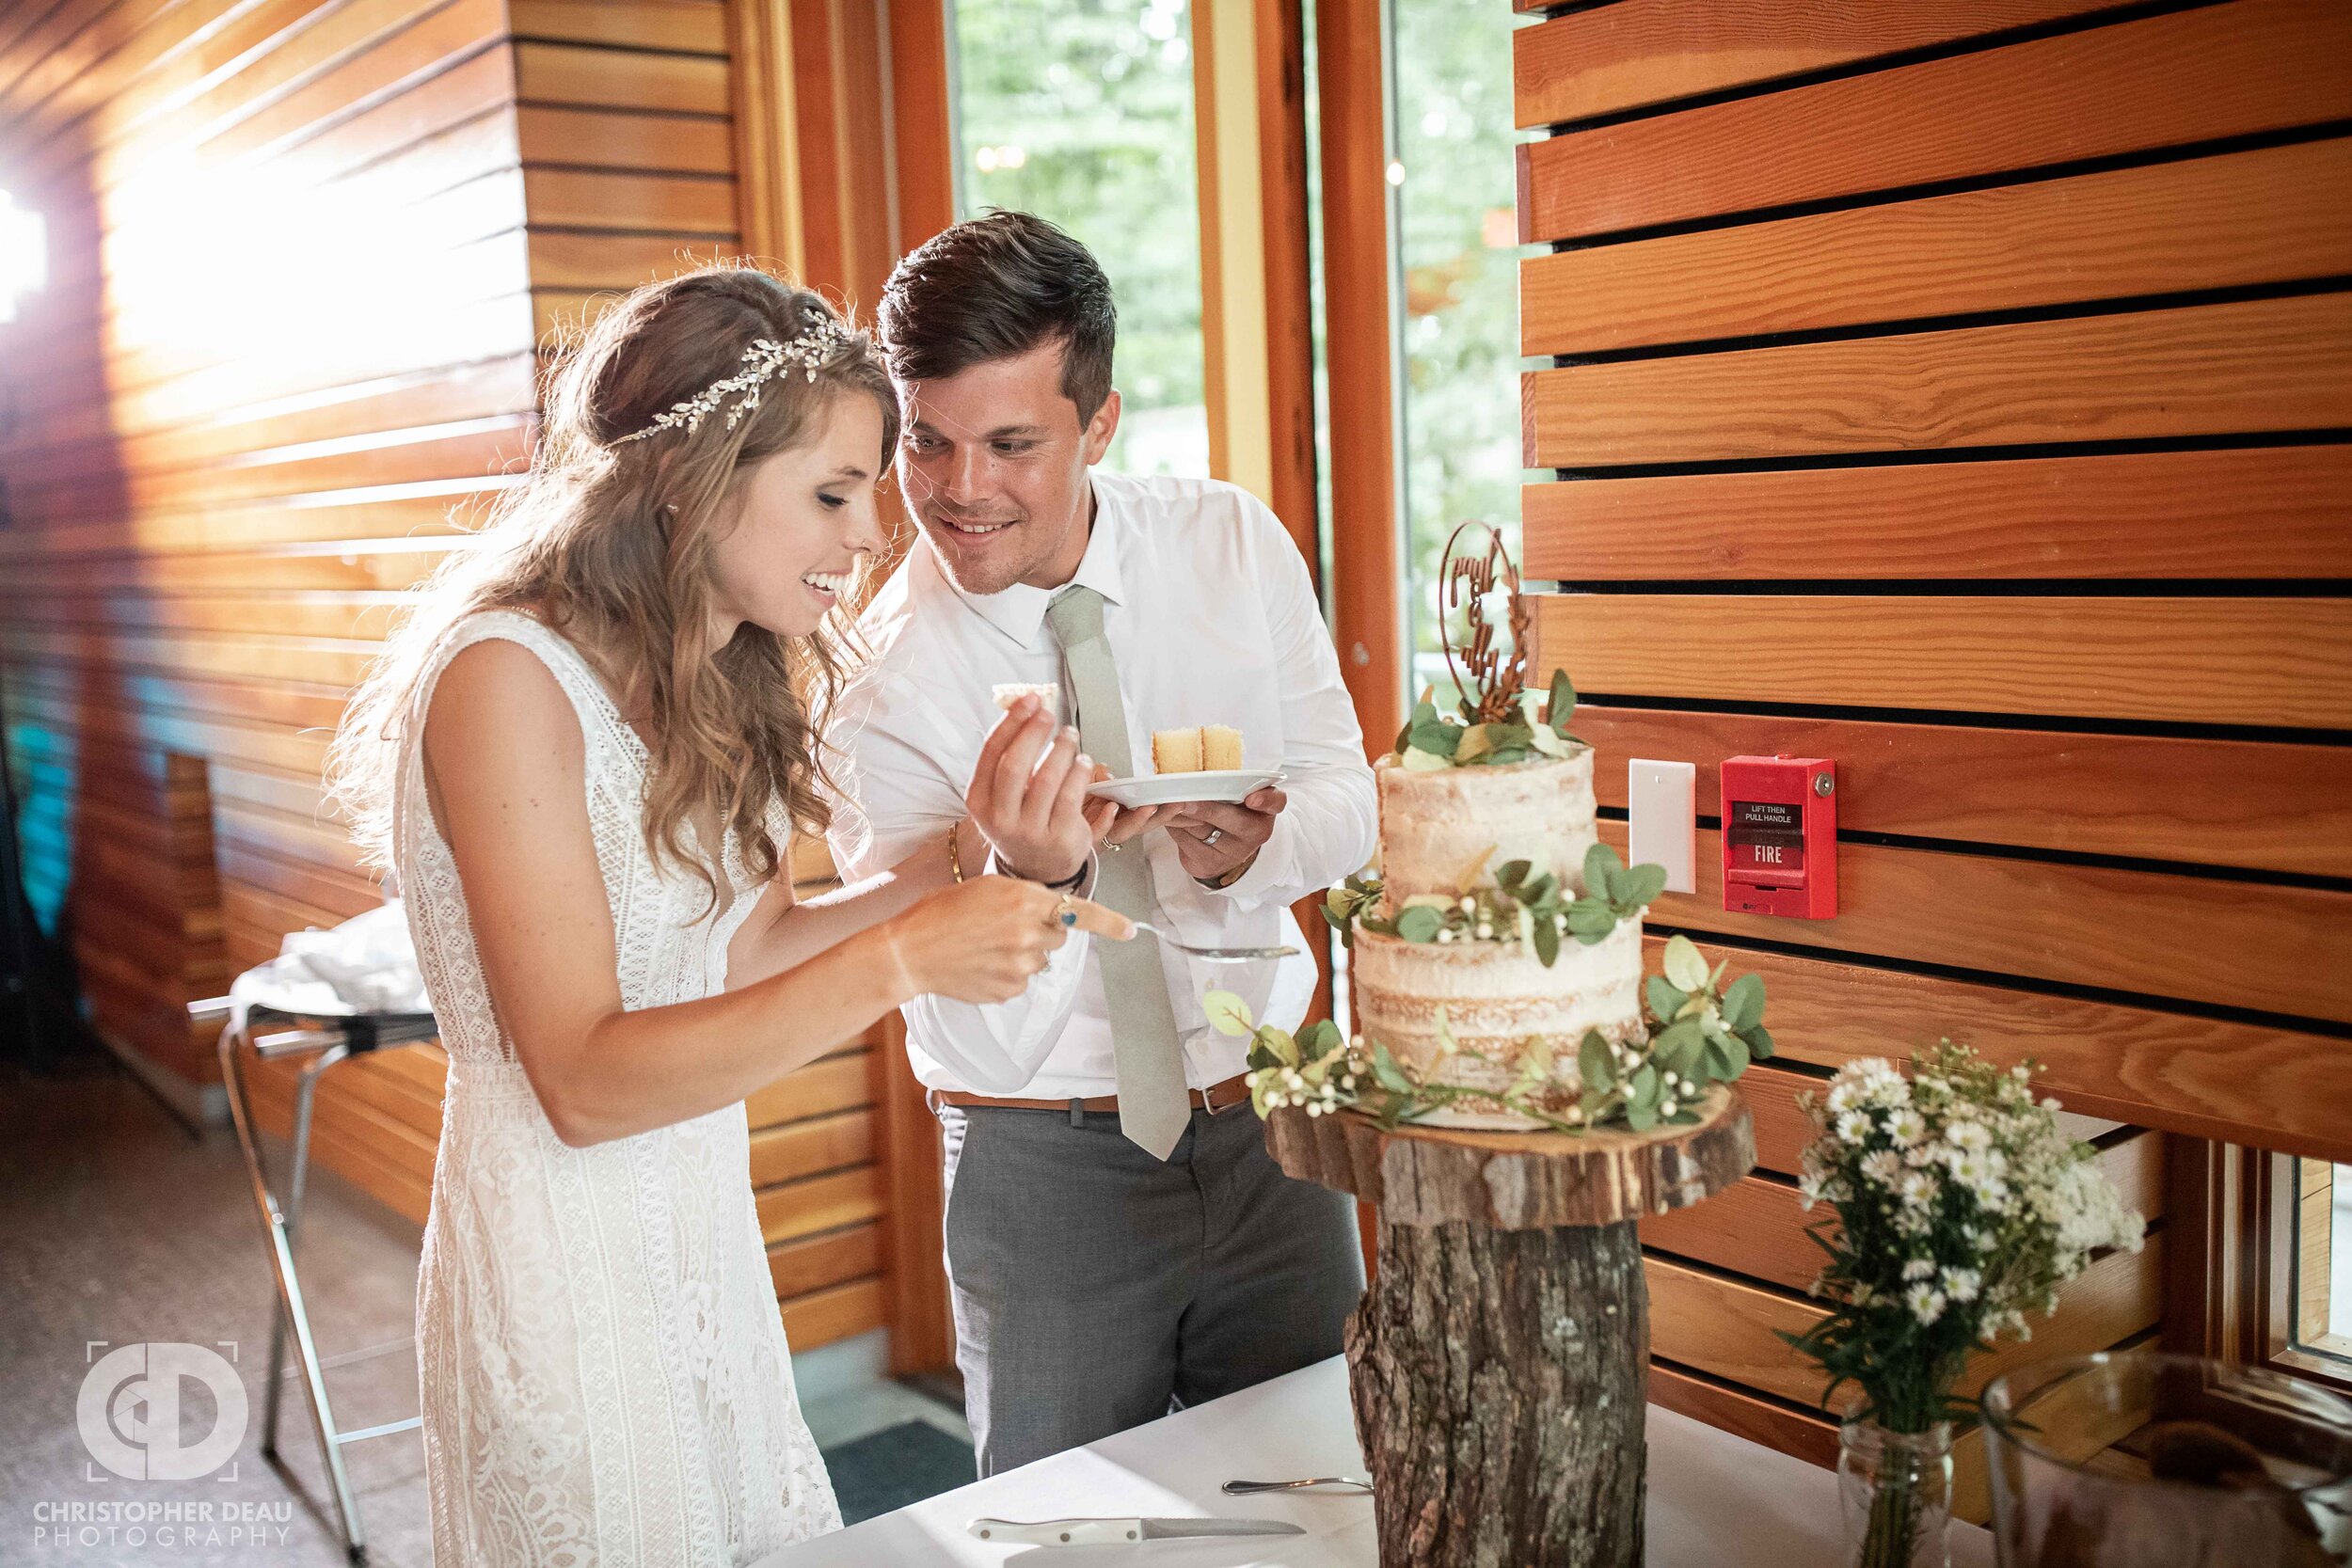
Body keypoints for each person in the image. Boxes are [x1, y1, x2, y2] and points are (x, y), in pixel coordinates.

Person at [328, 264, 1116, 1564]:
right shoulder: (506, 682)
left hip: (700, 1247)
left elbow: (744, 951)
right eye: (832, 493)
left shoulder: (718, 673)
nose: (873, 539)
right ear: (693, 477)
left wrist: (977, 850)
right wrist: (908, 956)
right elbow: (580, 1079)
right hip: (562, 1280)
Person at [828, 213, 1376, 1475]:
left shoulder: (1231, 545)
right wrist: (1018, 877)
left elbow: (1349, 798)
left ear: (1101, 424)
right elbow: (954, 1016)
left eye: (1013, 444)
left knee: (1322, 1503)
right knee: (1060, 1536)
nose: (961, 490)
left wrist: (1252, 852)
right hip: (1042, 1162)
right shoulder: (871, 687)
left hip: (1274, 1132)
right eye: (928, 440)